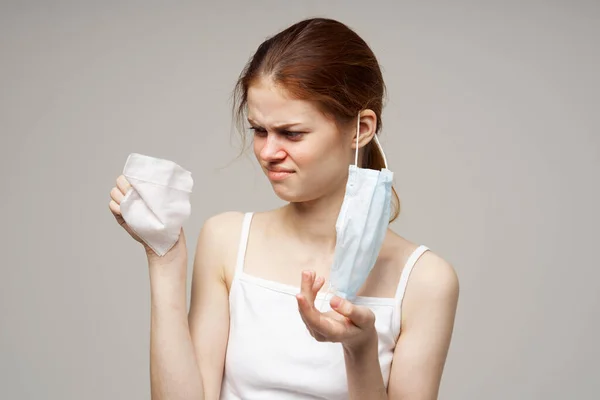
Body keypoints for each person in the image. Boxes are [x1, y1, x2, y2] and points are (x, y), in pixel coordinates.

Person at [109, 17, 459, 400]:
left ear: (361, 129)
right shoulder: (226, 241)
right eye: (259, 130)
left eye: (291, 133)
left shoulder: (426, 280)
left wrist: (358, 350)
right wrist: (164, 256)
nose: (267, 152)